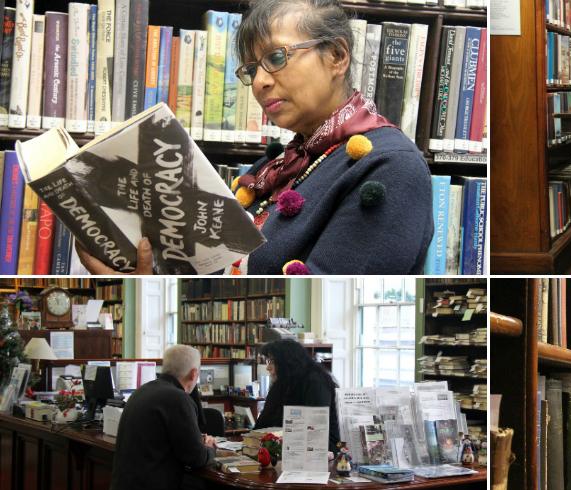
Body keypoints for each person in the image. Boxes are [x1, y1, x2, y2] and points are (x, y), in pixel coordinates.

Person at [79, 0, 433, 275]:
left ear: (337, 56)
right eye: (251, 69)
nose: (260, 81)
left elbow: (315, 299)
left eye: (276, 57)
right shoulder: (274, 165)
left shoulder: (390, 167)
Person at [107, 345, 217, 490]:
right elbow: (195, 457)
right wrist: (210, 448)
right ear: (194, 373)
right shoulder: (178, 399)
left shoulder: (142, 391)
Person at [253, 339, 341, 450]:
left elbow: (315, 430)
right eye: (268, 361)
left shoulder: (316, 381)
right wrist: (251, 440)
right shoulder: (282, 382)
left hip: (320, 450)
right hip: (288, 447)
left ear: (287, 362)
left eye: (272, 361)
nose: (268, 367)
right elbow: (263, 422)